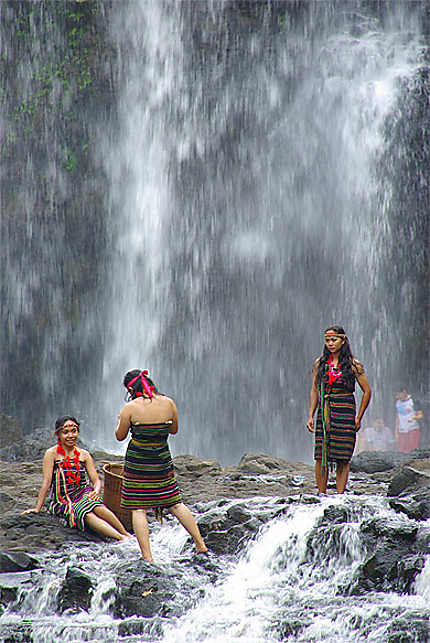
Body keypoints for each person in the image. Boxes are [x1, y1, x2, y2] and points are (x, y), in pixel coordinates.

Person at [116, 369, 208, 561]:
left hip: (138, 464)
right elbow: (173, 430)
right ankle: (201, 544)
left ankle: (148, 557)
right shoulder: (169, 403)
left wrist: (120, 421)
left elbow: (120, 436)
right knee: (175, 503)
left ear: (131, 388)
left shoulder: (130, 408)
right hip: (161, 461)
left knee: (138, 508)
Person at [23, 416, 131, 541]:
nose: (70, 435)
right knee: (86, 513)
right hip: (64, 499)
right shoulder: (51, 454)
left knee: (98, 506)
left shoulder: (84, 454)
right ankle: (120, 538)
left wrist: (95, 492)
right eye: (65, 432)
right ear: (58, 434)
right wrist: (37, 508)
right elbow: (46, 482)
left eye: (74, 431)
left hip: (83, 492)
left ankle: (125, 533)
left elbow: (96, 480)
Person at [306, 325, 372, 494]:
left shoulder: (353, 365)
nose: (330, 343)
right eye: (327, 340)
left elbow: (367, 391)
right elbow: (314, 389)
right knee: (321, 455)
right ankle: (321, 495)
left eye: (334, 340)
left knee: (343, 456)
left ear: (343, 341)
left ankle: (340, 496)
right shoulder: (319, 363)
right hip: (325, 411)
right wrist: (310, 416)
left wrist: (359, 418)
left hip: (345, 412)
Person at [394, 388, 423, 453]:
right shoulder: (397, 402)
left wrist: (413, 418)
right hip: (401, 430)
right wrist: (396, 431)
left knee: (412, 450)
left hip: (413, 429)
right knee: (402, 450)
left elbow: (420, 415)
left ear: (404, 392)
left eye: (398, 394)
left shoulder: (414, 401)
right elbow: (397, 417)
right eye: (396, 395)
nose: (397, 397)